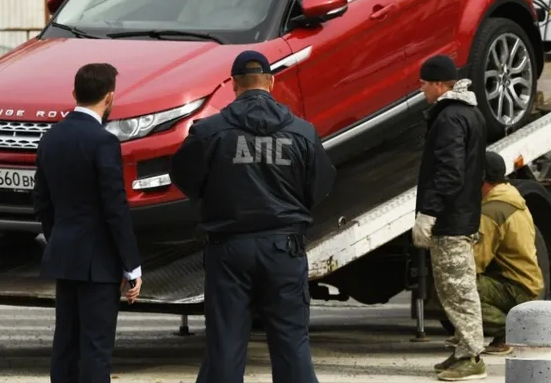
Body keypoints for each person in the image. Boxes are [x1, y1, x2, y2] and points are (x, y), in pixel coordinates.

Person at [170, 50, 336, 383]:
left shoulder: (209, 132)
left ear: (233, 85)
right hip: (284, 248)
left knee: (226, 343)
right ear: (272, 82)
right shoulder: (303, 132)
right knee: (291, 341)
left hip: (229, 249)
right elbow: (320, 186)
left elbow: (183, 177)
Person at [32, 62, 143, 383]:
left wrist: (60, 239)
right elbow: (115, 208)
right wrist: (131, 265)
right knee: (96, 348)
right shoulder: (103, 142)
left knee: (65, 344)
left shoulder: (50, 138)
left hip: (65, 256)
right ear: (109, 98)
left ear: (74, 94)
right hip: (100, 263)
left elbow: (41, 201)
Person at [410, 54, 488, 381]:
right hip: (462, 214)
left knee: (457, 289)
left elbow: (449, 172)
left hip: (450, 219)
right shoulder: (470, 114)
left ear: (441, 84)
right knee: (452, 287)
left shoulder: (449, 119)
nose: (422, 89)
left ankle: (471, 357)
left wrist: (429, 211)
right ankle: (460, 350)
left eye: (425, 84)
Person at [473, 151, 544, 355]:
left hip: (516, 289)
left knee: (455, 286)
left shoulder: (492, 210)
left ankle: (510, 332)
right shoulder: (512, 198)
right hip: (528, 286)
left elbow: (476, 262)